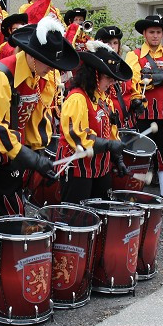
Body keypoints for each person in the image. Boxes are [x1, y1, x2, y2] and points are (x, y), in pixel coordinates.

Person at [0, 18, 79, 308]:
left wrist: (43, 155)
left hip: (8, 151)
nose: (51, 70)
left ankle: (8, 275)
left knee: (13, 210)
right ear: (32, 56)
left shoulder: (40, 78)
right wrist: (31, 159)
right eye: (47, 63)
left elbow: (36, 120)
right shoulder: (0, 75)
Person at [58, 39, 129, 203]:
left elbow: (112, 130)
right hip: (77, 170)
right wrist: (109, 145)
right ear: (94, 75)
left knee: (101, 216)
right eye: (108, 78)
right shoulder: (77, 98)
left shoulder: (104, 98)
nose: (112, 83)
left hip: (100, 169)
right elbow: (77, 135)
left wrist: (117, 158)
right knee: (76, 221)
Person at [124, 15, 163, 207]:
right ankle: (135, 192)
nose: (156, 36)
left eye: (159, 32)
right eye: (152, 32)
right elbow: (134, 81)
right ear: (144, 34)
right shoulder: (133, 56)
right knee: (138, 153)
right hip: (143, 111)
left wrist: (152, 78)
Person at [95, 25, 145, 129]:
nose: (112, 46)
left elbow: (133, 92)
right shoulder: (93, 70)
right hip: (103, 127)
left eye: (115, 43)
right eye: (107, 43)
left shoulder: (125, 70)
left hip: (126, 126)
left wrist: (136, 102)